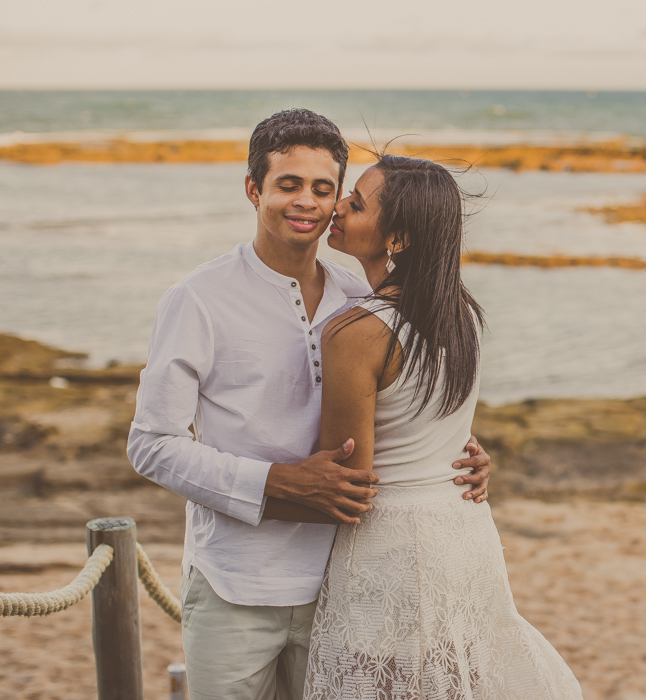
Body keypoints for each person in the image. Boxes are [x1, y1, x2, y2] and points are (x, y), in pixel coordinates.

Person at [126, 109, 491, 700]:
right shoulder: (197, 298)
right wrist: (272, 482)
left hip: (342, 586)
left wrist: (459, 454)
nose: (307, 202)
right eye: (288, 184)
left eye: (325, 189)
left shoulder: (360, 298)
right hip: (235, 585)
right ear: (254, 189)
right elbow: (150, 444)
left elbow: (403, 404)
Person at [294, 155, 583, 699]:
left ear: (396, 238)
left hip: (392, 546)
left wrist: (242, 489)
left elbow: (345, 478)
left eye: (354, 203)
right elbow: (435, 427)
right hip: (461, 531)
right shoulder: (461, 314)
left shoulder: (355, 332)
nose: (336, 207)